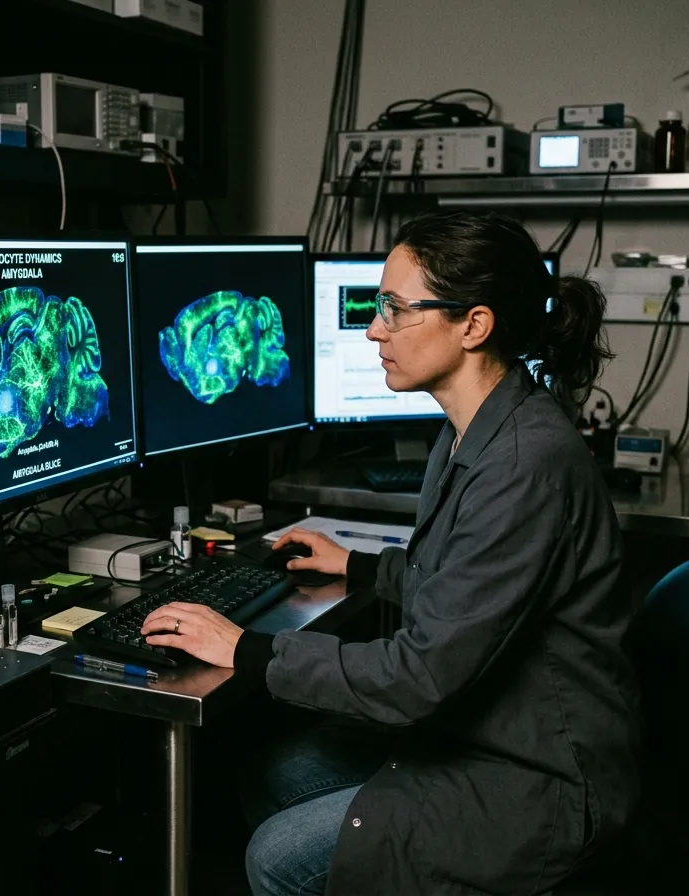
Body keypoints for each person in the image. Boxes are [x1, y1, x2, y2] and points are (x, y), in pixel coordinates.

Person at [140, 210, 642, 895]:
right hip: (488, 730)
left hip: (540, 774)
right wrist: (361, 566)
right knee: (272, 772)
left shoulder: (525, 462)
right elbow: (474, 586)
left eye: (395, 310)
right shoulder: (474, 428)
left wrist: (248, 651)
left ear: (474, 325)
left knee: (275, 858)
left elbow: (420, 677)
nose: (374, 329)